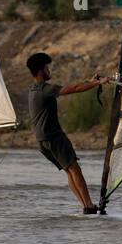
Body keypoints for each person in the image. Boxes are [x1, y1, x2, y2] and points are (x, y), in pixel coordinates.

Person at [26, 52, 108, 214]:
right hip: (54, 137)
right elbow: (74, 89)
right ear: (42, 70)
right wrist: (98, 82)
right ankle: (89, 207)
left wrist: (90, 82)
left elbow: (71, 86)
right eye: (47, 67)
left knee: (69, 171)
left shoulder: (33, 89)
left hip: (42, 141)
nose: (50, 70)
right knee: (75, 170)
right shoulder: (45, 89)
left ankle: (85, 206)